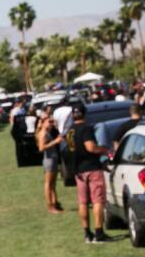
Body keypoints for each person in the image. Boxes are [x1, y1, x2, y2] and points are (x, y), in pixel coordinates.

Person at [69, 104, 111, 243]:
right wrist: (104, 150)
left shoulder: (70, 131)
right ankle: (99, 233)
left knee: (83, 202)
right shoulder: (85, 129)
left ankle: (87, 233)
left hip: (78, 171)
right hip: (91, 168)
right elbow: (91, 147)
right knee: (98, 200)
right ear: (84, 114)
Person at [35, 110, 65, 213]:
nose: (51, 124)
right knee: (48, 184)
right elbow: (41, 148)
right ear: (43, 122)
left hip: (53, 159)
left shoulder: (47, 132)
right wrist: (55, 142)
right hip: (49, 160)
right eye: (49, 122)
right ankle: (50, 206)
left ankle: (55, 203)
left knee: (53, 184)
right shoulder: (43, 133)